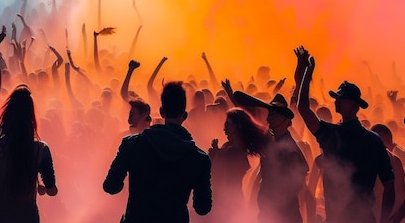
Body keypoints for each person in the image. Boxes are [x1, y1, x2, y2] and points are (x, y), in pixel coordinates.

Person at [294, 46, 395, 223]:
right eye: (337, 98)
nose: (337, 101)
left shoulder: (342, 135)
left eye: (342, 98)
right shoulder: (336, 133)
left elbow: (389, 184)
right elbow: (302, 108)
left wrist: (306, 75)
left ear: (356, 106)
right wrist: (305, 74)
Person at [103, 81, 212, 222]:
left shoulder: (132, 144)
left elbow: (111, 186)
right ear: (184, 115)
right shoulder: (199, 159)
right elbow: (202, 207)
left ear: (161, 112)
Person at [0, 85, 57, 222]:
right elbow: (52, 190)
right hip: (27, 216)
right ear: (31, 116)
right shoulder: (41, 149)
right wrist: (43, 187)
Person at [234, 90, 310, 223]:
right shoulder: (270, 141)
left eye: (275, 113)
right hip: (268, 211)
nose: (270, 116)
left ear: (285, 120)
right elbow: (249, 122)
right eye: (271, 113)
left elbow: (298, 183)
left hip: (284, 215)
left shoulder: (290, 149)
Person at [207, 107, 269, 222]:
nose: (224, 128)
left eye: (228, 124)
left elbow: (223, 177)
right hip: (221, 202)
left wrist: (215, 156)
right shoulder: (227, 147)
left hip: (227, 205)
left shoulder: (237, 153)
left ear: (238, 126)